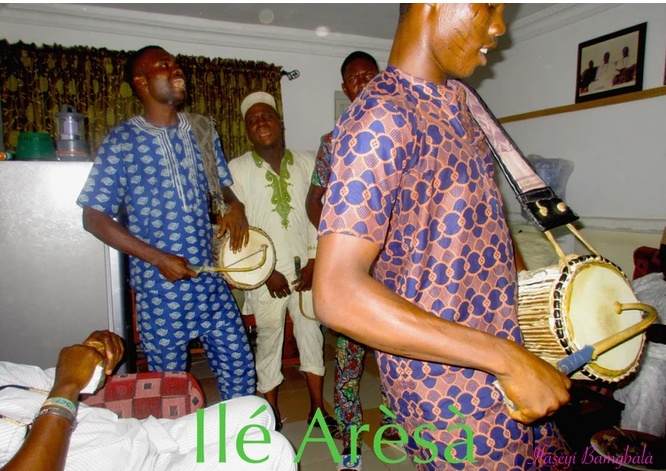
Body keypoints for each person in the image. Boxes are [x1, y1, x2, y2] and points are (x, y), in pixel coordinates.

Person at [313, 4, 571, 470]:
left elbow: (483, 223)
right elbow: (336, 294)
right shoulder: (381, 117)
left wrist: (533, 314)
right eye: (488, 5)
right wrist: (507, 360)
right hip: (453, 391)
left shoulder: (464, 101)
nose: (499, 26)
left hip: (509, 353)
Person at [77, 46, 256, 401]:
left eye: (175, 63)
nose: (176, 69)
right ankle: (181, 451)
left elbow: (221, 186)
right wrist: (158, 258)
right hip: (160, 290)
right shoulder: (123, 141)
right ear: (141, 82)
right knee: (169, 388)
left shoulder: (202, 130)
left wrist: (235, 206)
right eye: (164, 65)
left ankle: (243, 443)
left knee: (239, 366)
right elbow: (93, 216)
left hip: (208, 277)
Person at [0, 331, 296, 471]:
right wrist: (66, 386)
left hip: (143, 437)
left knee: (257, 409)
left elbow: (67, 381)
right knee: (270, 448)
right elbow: (64, 388)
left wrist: (96, 353)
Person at [305, 51, 399, 471]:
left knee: (402, 350)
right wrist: (334, 240)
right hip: (353, 269)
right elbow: (314, 199)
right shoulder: (332, 142)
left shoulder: (401, 130)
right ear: (346, 88)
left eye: (369, 75)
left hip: (398, 267)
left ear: (379, 80)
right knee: (348, 356)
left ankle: (399, 427)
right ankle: (349, 441)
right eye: (354, 78)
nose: (362, 82)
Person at [227, 92, 333, 433]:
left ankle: (318, 408)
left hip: (306, 271)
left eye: (266, 116)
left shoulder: (305, 162)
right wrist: (264, 272)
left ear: (280, 123)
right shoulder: (237, 170)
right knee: (269, 341)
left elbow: (320, 216)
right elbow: (236, 233)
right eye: (252, 120)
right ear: (247, 131)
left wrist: (316, 261)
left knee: (311, 336)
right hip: (266, 276)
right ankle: (270, 414)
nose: (261, 122)